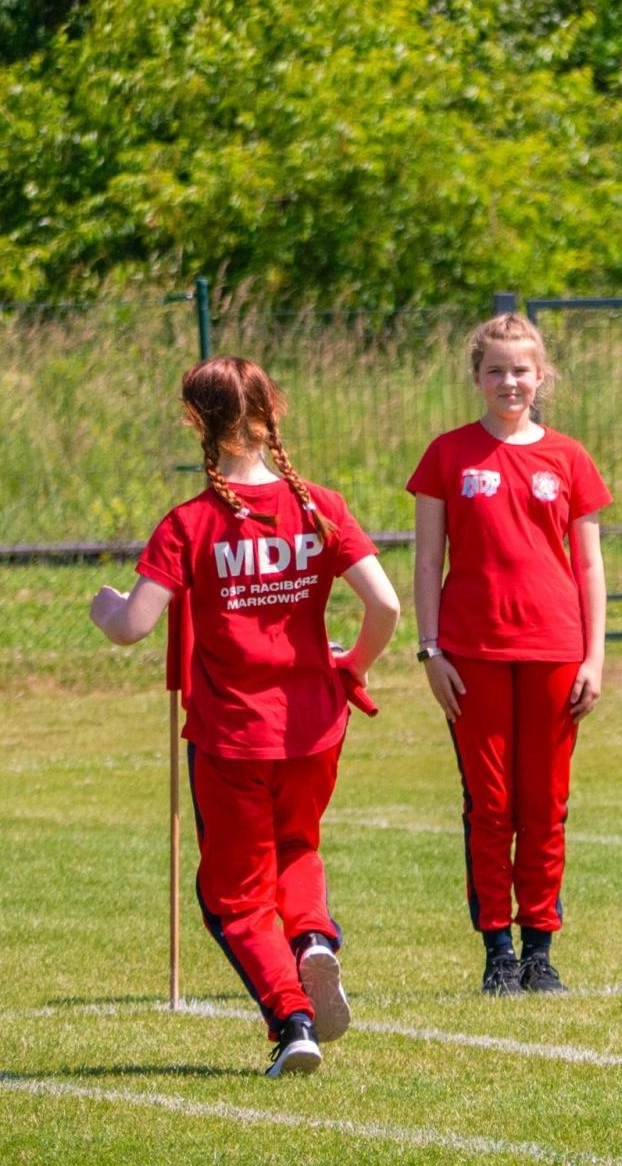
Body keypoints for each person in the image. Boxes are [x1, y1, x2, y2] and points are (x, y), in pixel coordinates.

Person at [90, 354, 399, 1076]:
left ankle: (291, 1019)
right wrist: (352, 664)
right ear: (273, 414)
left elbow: (135, 624)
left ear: (193, 421)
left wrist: (104, 607)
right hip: (312, 725)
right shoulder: (320, 505)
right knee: (298, 851)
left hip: (232, 734)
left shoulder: (191, 521)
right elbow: (384, 606)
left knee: (232, 893)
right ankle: (315, 938)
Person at [407, 313, 610, 996]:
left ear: (541, 375)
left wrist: (595, 658)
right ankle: (497, 951)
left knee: (544, 804)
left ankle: (539, 950)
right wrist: (430, 649)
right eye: (495, 370)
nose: (509, 381)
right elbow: (429, 560)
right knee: (489, 805)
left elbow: (589, 566)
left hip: (556, 651)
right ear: (476, 378)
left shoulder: (570, 458)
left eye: (520, 370)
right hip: (473, 653)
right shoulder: (447, 455)